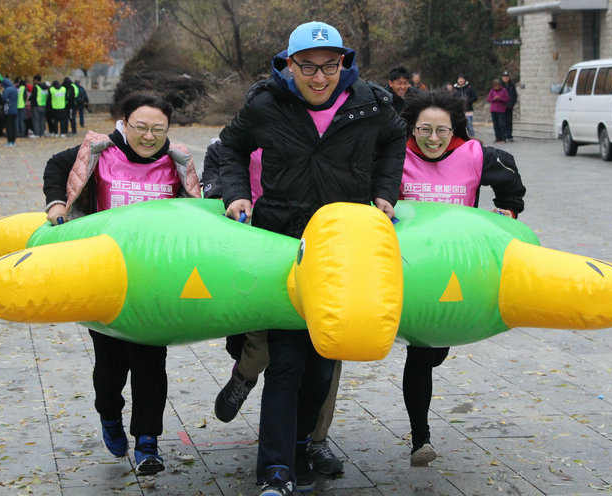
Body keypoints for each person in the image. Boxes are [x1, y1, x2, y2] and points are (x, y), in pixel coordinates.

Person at [217, 20, 406, 496]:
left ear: (345, 62)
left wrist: (384, 193)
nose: (319, 77)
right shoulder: (266, 103)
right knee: (285, 362)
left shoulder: (371, 103)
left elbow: (395, 140)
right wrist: (237, 194)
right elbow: (229, 149)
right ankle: (275, 471)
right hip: (284, 244)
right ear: (288, 64)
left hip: (345, 248)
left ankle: (302, 446)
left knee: (323, 364)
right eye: (307, 67)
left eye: (329, 66)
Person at [42, 92, 201, 476]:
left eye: (158, 129)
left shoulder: (177, 161)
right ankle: (109, 415)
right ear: (123, 123)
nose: (149, 136)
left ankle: (148, 441)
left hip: (155, 280)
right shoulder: (99, 152)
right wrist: (56, 204)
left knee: (151, 363)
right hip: (106, 278)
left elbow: (202, 204)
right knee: (110, 367)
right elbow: (54, 167)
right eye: (141, 127)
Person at [203, 139, 345, 479]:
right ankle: (245, 376)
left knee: (328, 348)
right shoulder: (231, 145)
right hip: (256, 258)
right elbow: (214, 191)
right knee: (265, 337)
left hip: (318, 254)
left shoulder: (328, 137)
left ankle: (316, 439)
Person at [398, 89, 525, 467]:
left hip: (458, 273)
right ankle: (421, 439)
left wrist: (507, 212)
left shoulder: (475, 156)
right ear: (412, 128)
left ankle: (432, 352)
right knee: (421, 353)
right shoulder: (395, 157)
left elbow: (511, 183)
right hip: (412, 272)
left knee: (436, 351)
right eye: (424, 130)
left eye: (442, 130)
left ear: (456, 129)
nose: (433, 139)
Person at [487, 78, 509, 143]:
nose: (496, 87)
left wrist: (500, 99)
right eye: (495, 85)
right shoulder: (492, 91)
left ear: (500, 85)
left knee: (501, 124)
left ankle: (503, 138)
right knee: (495, 125)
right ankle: (497, 138)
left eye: (497, 85)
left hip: (501, 110)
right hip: (493, 110)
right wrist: (494, 99)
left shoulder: (504, 90)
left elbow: (507, 99)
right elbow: (488, 99)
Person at [0, 77, 18, 146]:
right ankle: (13, 140)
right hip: (15, 109)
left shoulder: (7, 90)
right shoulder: (14, 89)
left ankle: (9, 140)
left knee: (8, 126)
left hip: (8, 110)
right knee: (13, 125)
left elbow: (3, 99)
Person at [501, 71, 517, 141]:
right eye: (504, 77)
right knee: (502, 122)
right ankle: (503, 135)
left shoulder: (511, 85)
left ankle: (509, 135)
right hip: (502, 107)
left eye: (507, 77)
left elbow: (515, 95)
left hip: (510, 106)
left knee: (509, 122)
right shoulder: (500, 85)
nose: (505, 78)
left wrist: (513, 103)